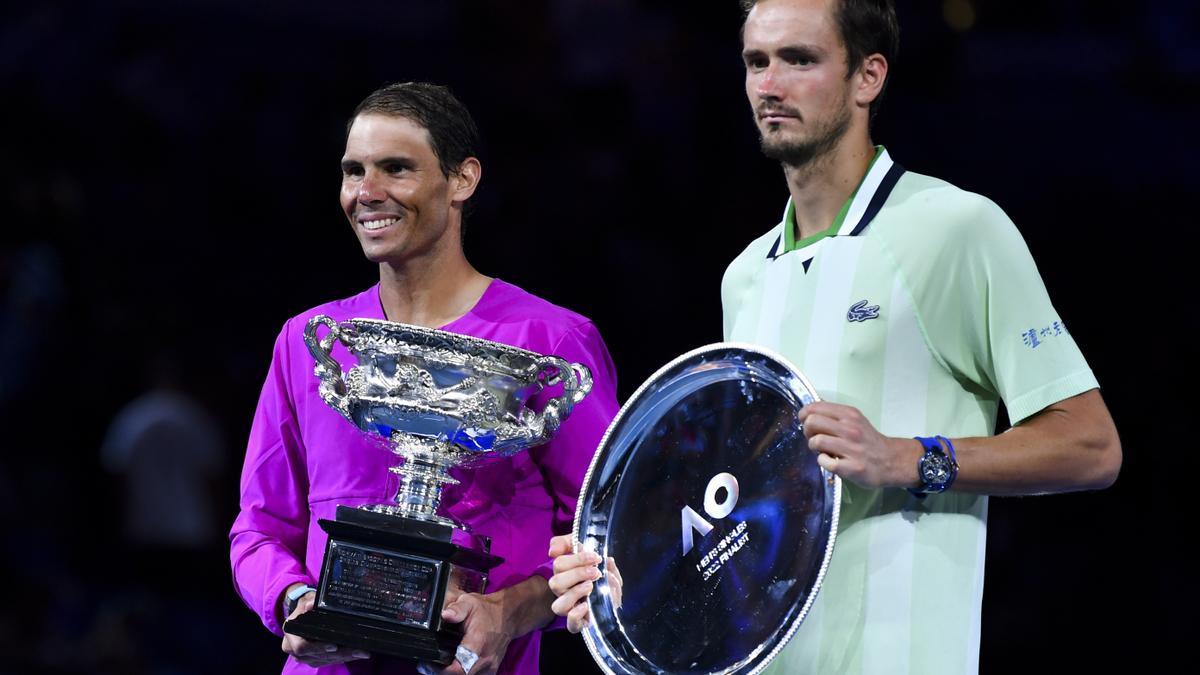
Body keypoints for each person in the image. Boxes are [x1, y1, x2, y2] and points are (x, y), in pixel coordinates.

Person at [547, 1, 1121, 673]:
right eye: (756, 62)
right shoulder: (746, 276)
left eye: (799, 59)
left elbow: (1092, 444)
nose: (769, 83)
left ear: (867, 78)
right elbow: (740, 509)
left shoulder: (956, 229)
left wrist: (906, 457)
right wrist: (629, 580)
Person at [230, 82, 619, 675]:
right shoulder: (313, 344)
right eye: (353, 171)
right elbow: (259, 528)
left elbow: (607, 535)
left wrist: (508, 612)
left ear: (462, 180)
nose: (367, 193)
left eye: (397, 169)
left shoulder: (550, 344)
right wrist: (295, 603)